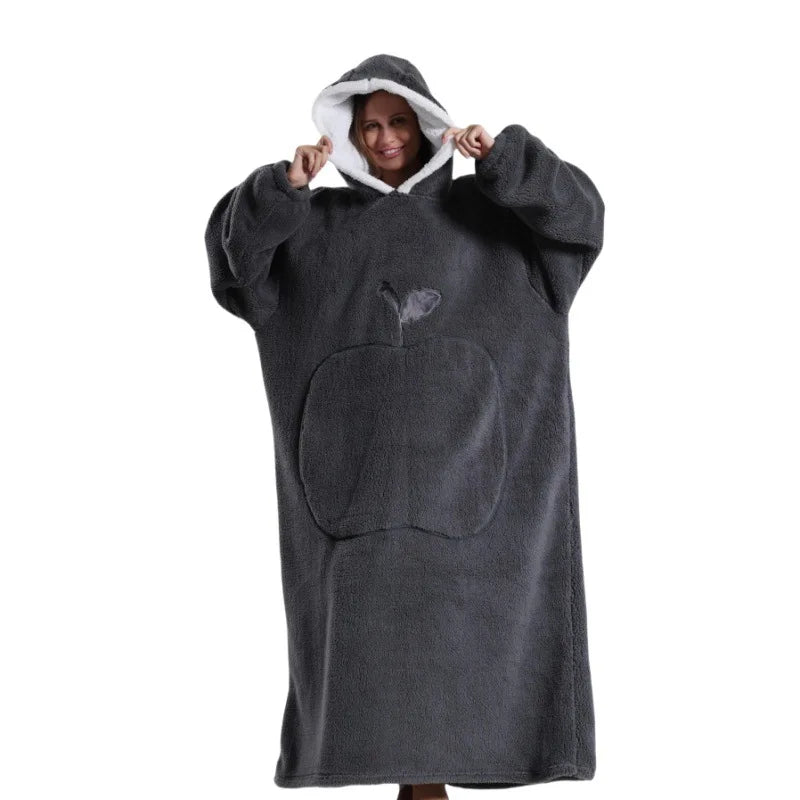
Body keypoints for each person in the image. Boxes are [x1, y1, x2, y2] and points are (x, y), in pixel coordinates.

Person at [205, 54, 604, 798]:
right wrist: (283, 190)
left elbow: (580, 223)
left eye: (398, 122)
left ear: (425, 125)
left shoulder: (492, 216)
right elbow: (236, 268)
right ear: (349, 134)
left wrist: (507, 161)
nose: (385, 138)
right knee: (382, 690)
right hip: (359, 505)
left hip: (488, 514)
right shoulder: (314, 227)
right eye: (369, 126)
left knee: (473, 674)